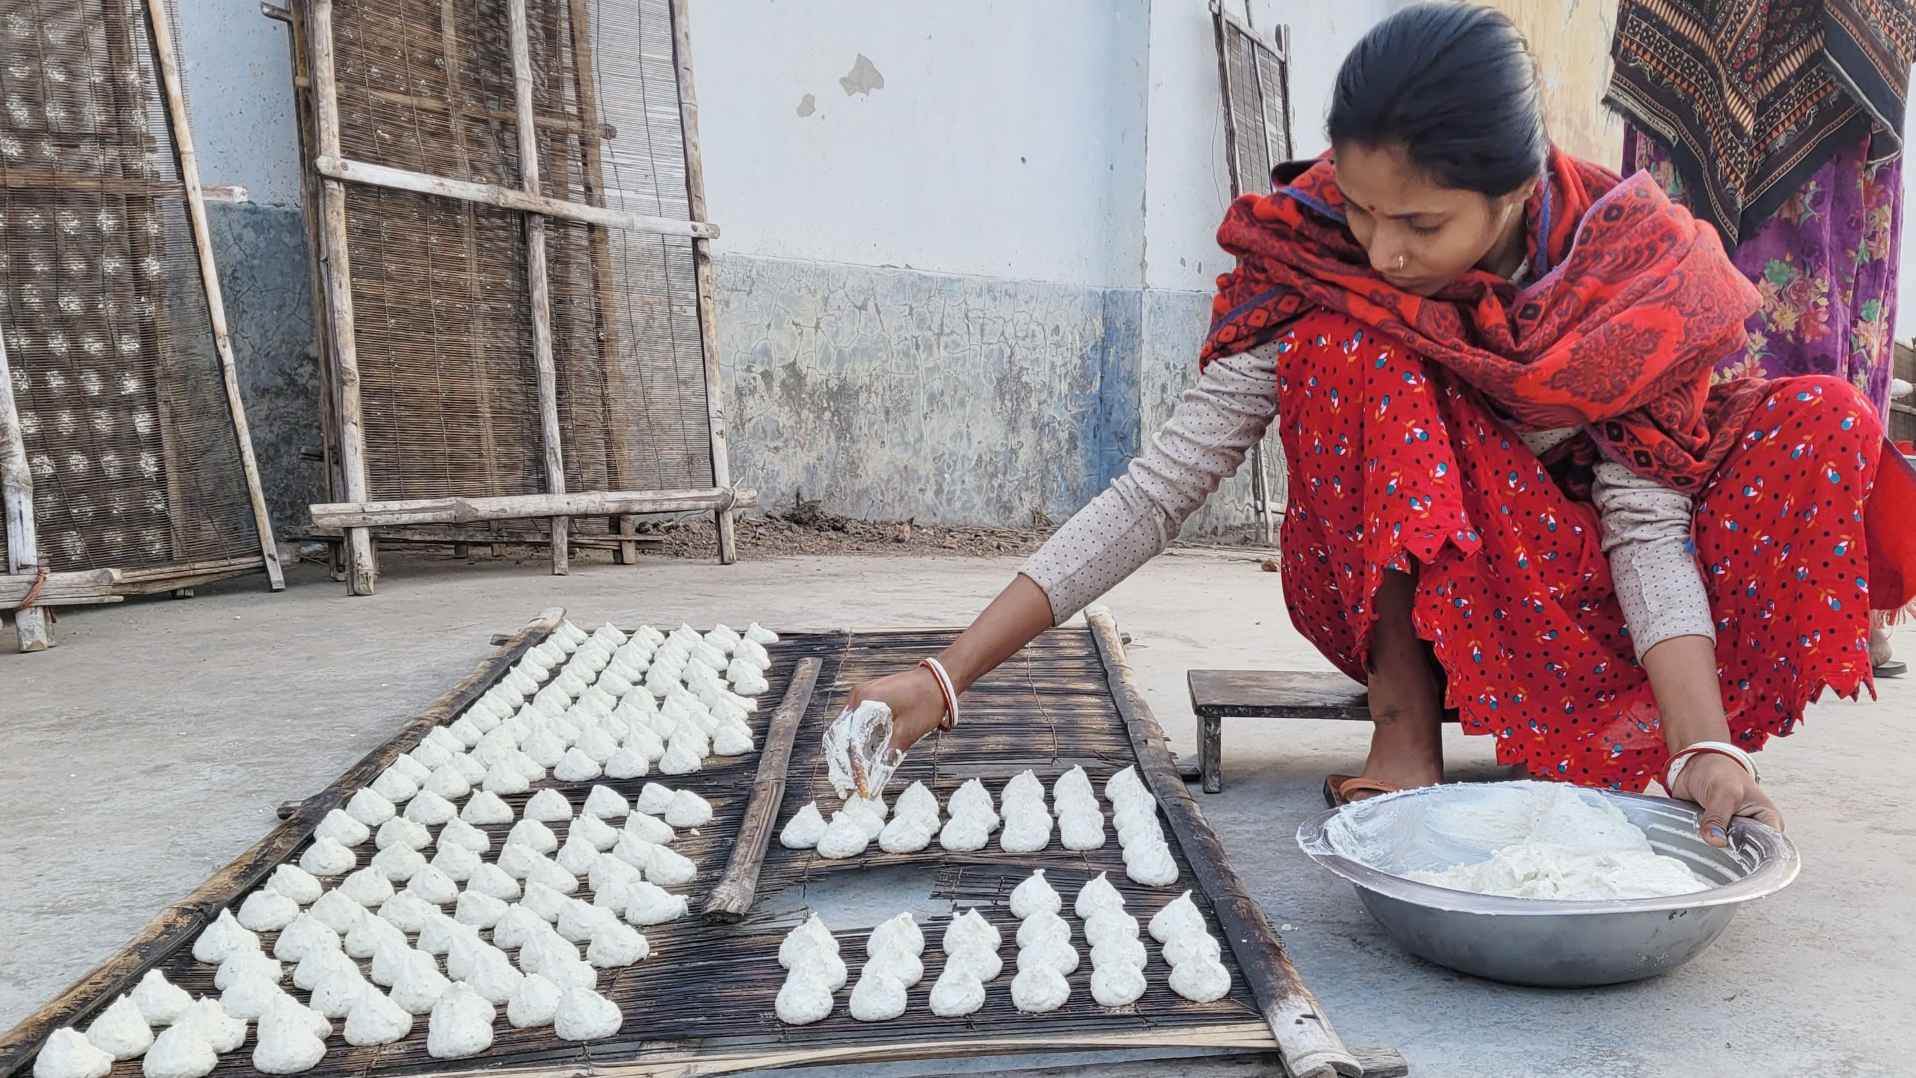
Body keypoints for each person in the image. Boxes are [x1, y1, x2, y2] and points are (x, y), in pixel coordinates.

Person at [842, 3, 1916, 847]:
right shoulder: (1314, 252)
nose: (1381, 250)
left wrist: (1701, 751)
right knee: (1346, 344)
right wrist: (945, 677)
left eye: (1419, 223)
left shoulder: (1621, 273)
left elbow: (1644, 525)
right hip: (1403, 584)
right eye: (1359, 208)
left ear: (1514, 191)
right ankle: (1402, 734)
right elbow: (1164, 482)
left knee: (1819, 421)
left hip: (1584, 599)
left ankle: (1641, 734)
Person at [1606, 0, 1916, 678]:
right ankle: (1693, 596)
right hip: (1705, 27)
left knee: (1823, 276)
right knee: (1688, 277)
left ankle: (1825, 593)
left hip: (1835, 45)